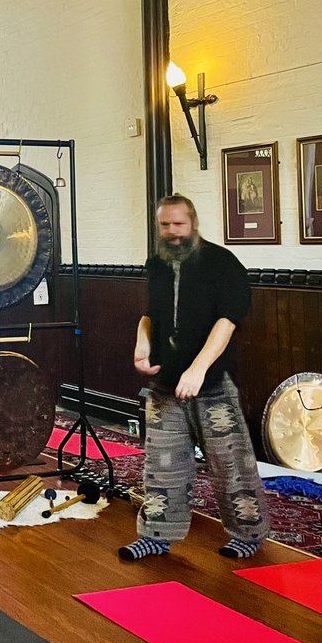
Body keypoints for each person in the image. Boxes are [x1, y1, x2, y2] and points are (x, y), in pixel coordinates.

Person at [120, 194, 270, 561]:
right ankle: (156, 534)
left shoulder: (222, 263)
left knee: (230, 463)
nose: (172, 232)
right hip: (164, 383)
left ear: (194, 222)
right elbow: (150, 314)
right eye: (165, 225)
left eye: (179, 225)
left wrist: (198, 369)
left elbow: (228, 320)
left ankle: (248, 535)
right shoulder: (156, 264)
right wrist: (142, 343)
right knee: (161, 463)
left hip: (213, 382)